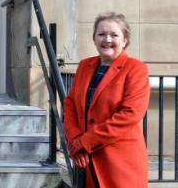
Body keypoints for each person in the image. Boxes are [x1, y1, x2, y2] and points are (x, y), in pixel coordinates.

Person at [63, 12, 150, 188]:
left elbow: (131, 114)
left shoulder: (136, 69)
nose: (107, 39)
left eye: (114, 35)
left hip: (121, 162)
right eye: (101, 34)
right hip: (87, 161)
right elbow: (70, 104)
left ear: (125, 40)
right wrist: (75, 141)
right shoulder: (84, 66)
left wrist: (84, 142)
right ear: (94, 38)